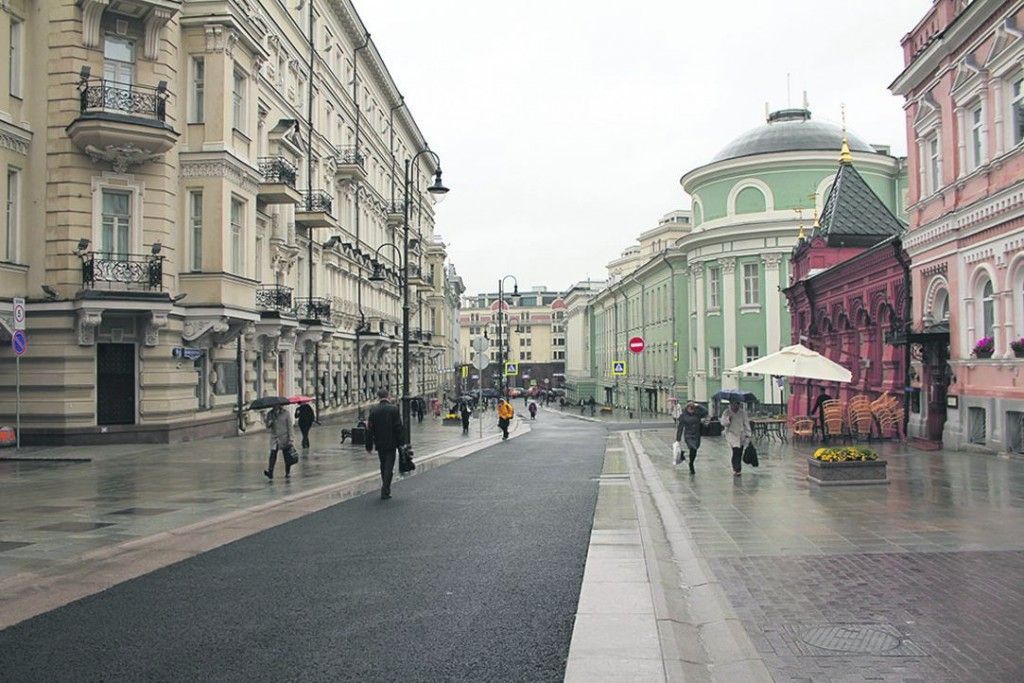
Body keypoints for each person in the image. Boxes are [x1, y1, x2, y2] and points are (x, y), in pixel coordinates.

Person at [365, 389, 405, 500]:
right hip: (392, 443)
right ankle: (385, 489)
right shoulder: (394, 409)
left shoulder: (373, 410)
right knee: (389, 466)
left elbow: (369, 429)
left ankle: (385, 486)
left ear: (378, 397)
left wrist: (368, 446)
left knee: (383, 465)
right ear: (388, 396)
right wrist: (401, 442)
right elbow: (398, 427)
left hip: (379, 443)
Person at [720, 399, 752, 476]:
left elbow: (746, 423)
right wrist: (728, 419)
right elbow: (723, 423)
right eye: (733, 404)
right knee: (735, 450)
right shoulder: (726, 412)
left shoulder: (742, 412)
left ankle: (737, 467)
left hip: (741, 434)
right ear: (730, 404)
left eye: (737, 404)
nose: (735, 406)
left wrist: (748, 434)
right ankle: (737, 468)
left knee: (739, 452)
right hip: (731, 434)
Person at [674, 401, 707, 475]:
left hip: (697, 435)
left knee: (695, 450)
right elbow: (680, 427)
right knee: (693, 447)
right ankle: (691, 465)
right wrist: (678, 439)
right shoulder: (683, 416)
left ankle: (691, 461)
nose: (691, 410)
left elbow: (705, 411)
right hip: (688, 435)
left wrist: (698, 405)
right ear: (687, 408)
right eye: (690, 408)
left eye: (693, 408)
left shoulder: (697, 414)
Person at [263, 405, 293, 480]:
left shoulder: (286, 413)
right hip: (275, 438)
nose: (275, 407)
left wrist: (291, 438)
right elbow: (267, 426)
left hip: (284, 437)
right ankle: (270, 472)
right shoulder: (270, 414)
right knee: (273, 454)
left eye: (276, 405)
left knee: (287, 456)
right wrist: (268, 422)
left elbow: (290, 426)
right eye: (274, 406)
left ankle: (287, 472)